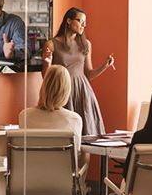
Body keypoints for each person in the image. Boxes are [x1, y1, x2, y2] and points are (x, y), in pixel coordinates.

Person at [18, 65, 97, 195]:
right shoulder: (74, 119)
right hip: (63, 184)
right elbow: (76, 158)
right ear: (66, 90)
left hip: (30, 183)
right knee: (84, 155)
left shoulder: (25, 115)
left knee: (57, 175)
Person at [41, 7, 114, 135]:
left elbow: (88, 74)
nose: (84, 25)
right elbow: (46, 77)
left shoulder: (86, 44)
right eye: (80, 21)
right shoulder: (51, 44)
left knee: (85, 138)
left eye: (85, 22)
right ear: (68, 21)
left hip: (83, 92)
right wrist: (47, 63)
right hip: (62, 91)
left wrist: (105, 66)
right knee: (65, 135)